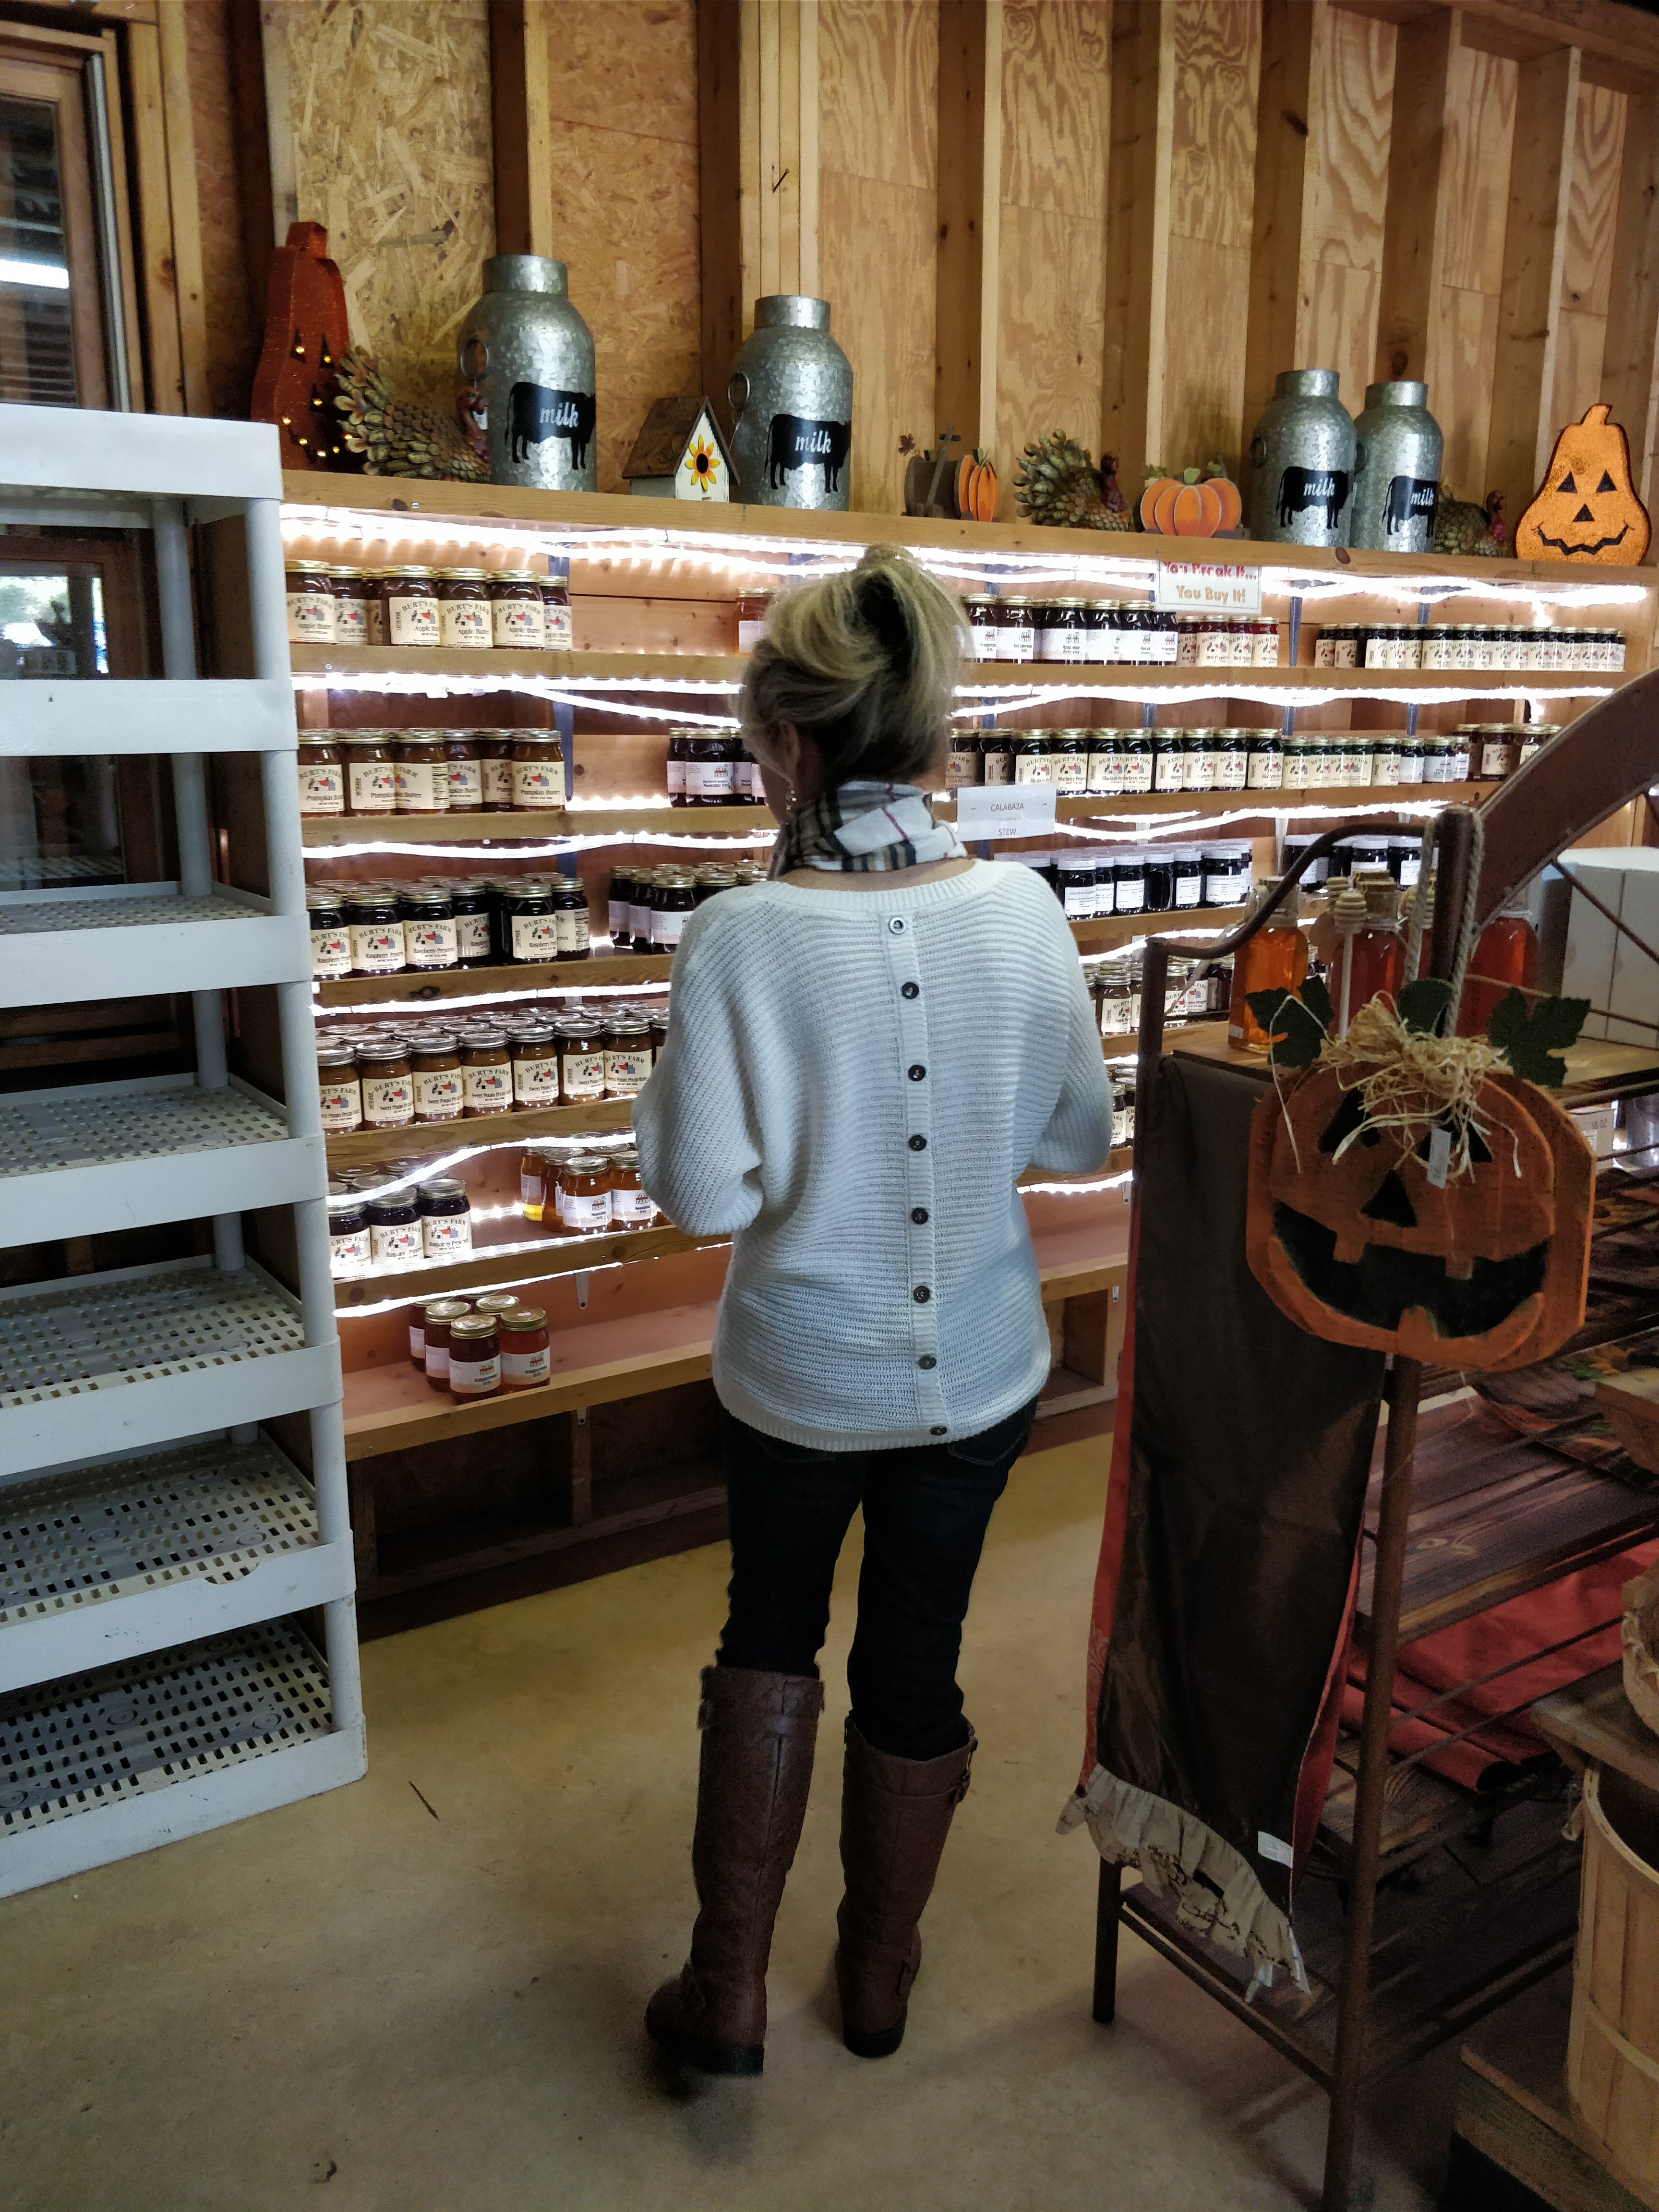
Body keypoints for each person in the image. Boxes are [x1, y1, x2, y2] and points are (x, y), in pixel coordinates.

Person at [633, 545, 1114, 2076]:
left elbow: (703, 1196)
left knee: (770, 1631)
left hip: (796, 1375)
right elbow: (1078, 1140)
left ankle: (726, 1987)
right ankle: (880, 1978)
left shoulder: (738, 933)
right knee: (919, 1654)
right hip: (983, 1365)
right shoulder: (1025, 912)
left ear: (787, 742)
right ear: (933, 736)